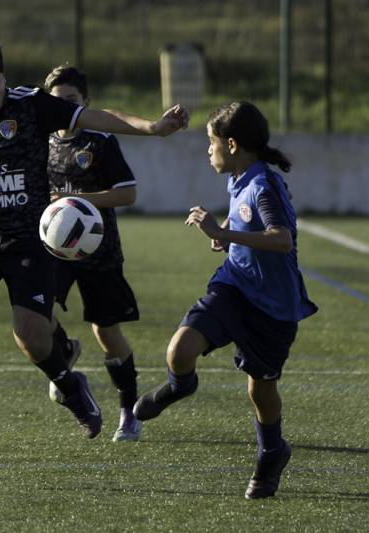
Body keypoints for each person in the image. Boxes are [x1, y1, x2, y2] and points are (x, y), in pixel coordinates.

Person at [0, 34, 188, 453]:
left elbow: (98, 117)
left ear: (3, 76)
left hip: (28, 239)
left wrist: (152, 128)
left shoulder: (31, 104)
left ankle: (70, 385)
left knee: (29, 334)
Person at [132, 101, 317, 498]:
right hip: (234, 287)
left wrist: (224, 232)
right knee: (179, 350)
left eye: (210, 143)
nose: (208, 151)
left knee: (260, 390)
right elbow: (244, 216)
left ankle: (272, 451)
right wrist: (228, 231)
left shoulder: (262, 184)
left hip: (273, 307)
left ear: (232, 144)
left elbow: (281, 239)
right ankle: (178, 387)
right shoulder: (239, 177)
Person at [43, 65, 142, 443]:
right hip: (54, 250)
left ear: (85, 103)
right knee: (35, 309)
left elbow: (128, 193)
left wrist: (80, 200)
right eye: (56, 101)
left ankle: (128, 411)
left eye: (70, 101)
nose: (63, 108)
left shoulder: (100, 142)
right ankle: (65, 351)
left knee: (106, 330)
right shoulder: (41, 141)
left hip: (99, 251)